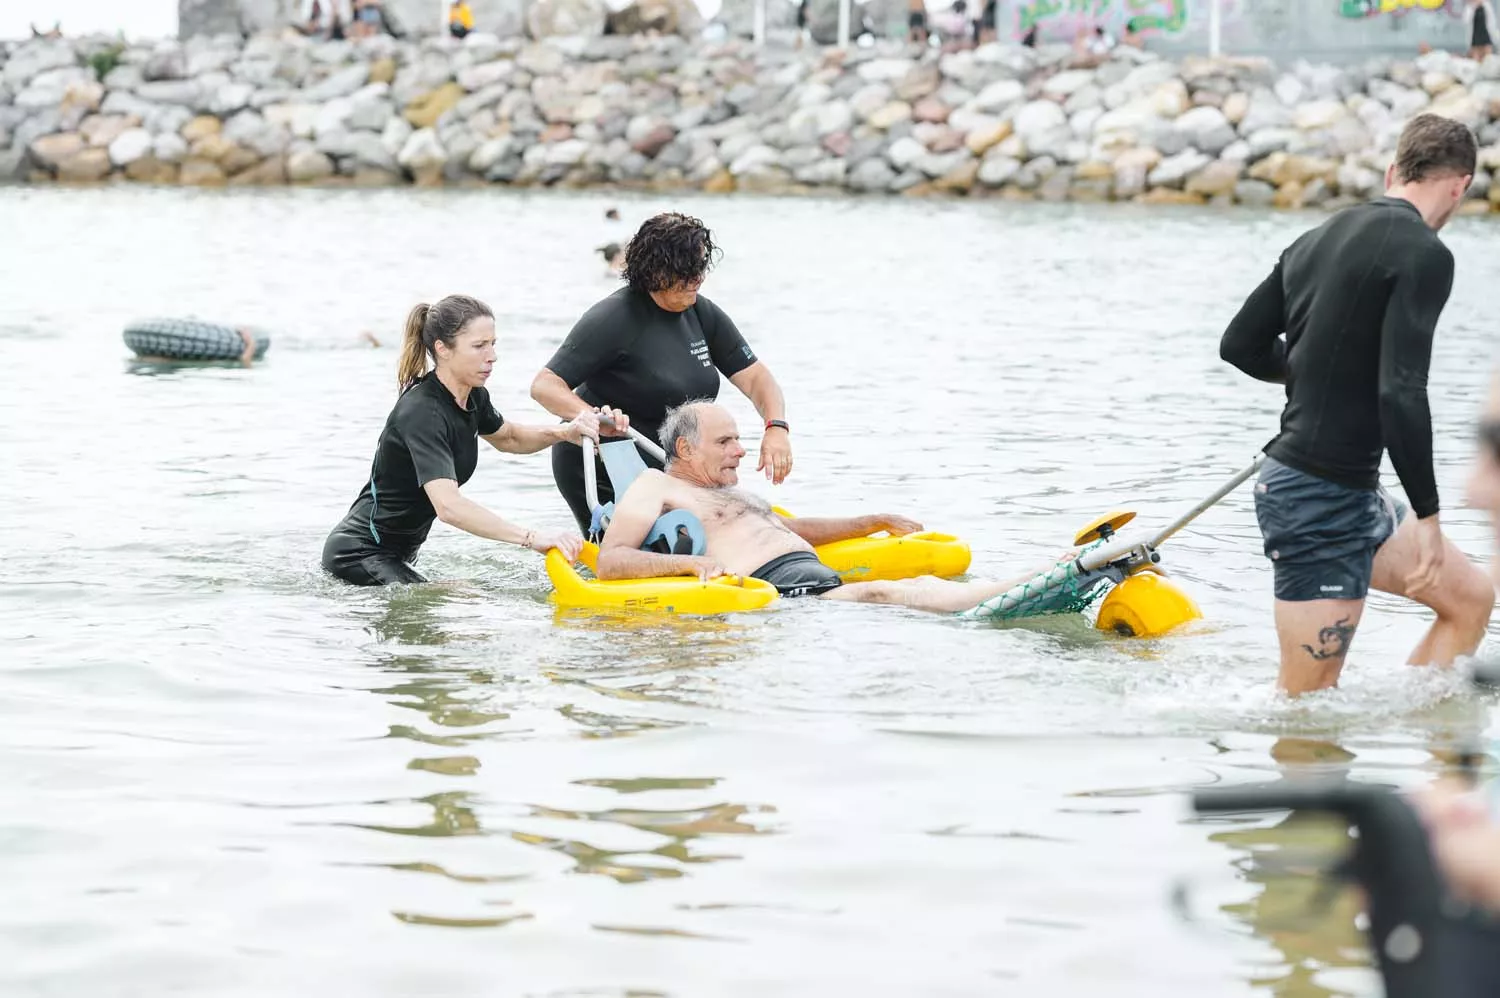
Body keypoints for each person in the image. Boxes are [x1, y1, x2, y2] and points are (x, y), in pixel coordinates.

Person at [1219, 112, 1493, 696]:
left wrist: (1315, 370)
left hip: (1352, 492)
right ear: (1460, 185)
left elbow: (1240, 345)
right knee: (1305, 711)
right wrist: (1429, 513)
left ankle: (1430, 768)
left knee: (1470, 599)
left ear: (1394, 170)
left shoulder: (1315, 238)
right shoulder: (1425, 252)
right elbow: (1401, 390)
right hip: (1314, 499)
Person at [595, 402, 1069, 612]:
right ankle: (1040, 579)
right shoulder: (654, 485)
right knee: (895, 593)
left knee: (900, 589)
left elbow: (793, 527)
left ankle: (1027, 586)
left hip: (814, 576)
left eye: (740, 438)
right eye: (726, 441)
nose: (741, 450)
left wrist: (870, 521)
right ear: (684, 449)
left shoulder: (730, 493)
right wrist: (689, 564)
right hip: (776, 590)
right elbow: (611, 561)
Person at [322, 294, 624, 587]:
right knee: (464, 596)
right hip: (358, 554)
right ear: (443, 349)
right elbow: (449, 507)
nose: (492, 356)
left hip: (398, 557)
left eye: (493, 344)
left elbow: (509, 437)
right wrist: (532, 538)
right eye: (479, 346)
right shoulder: (422, 413)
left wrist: (565, 432)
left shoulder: (472, 395)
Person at [530, 212, 794, 535]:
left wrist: (776, 427)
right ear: (655, 271)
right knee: (670, 547)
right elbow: (545, 386)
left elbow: (757, 379)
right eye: (687, 272)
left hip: (672, 464)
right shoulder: (613, 318)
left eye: (700, 268)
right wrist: (591, 417)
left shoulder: (701, 313)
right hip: (605, 461)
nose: (698, 279)